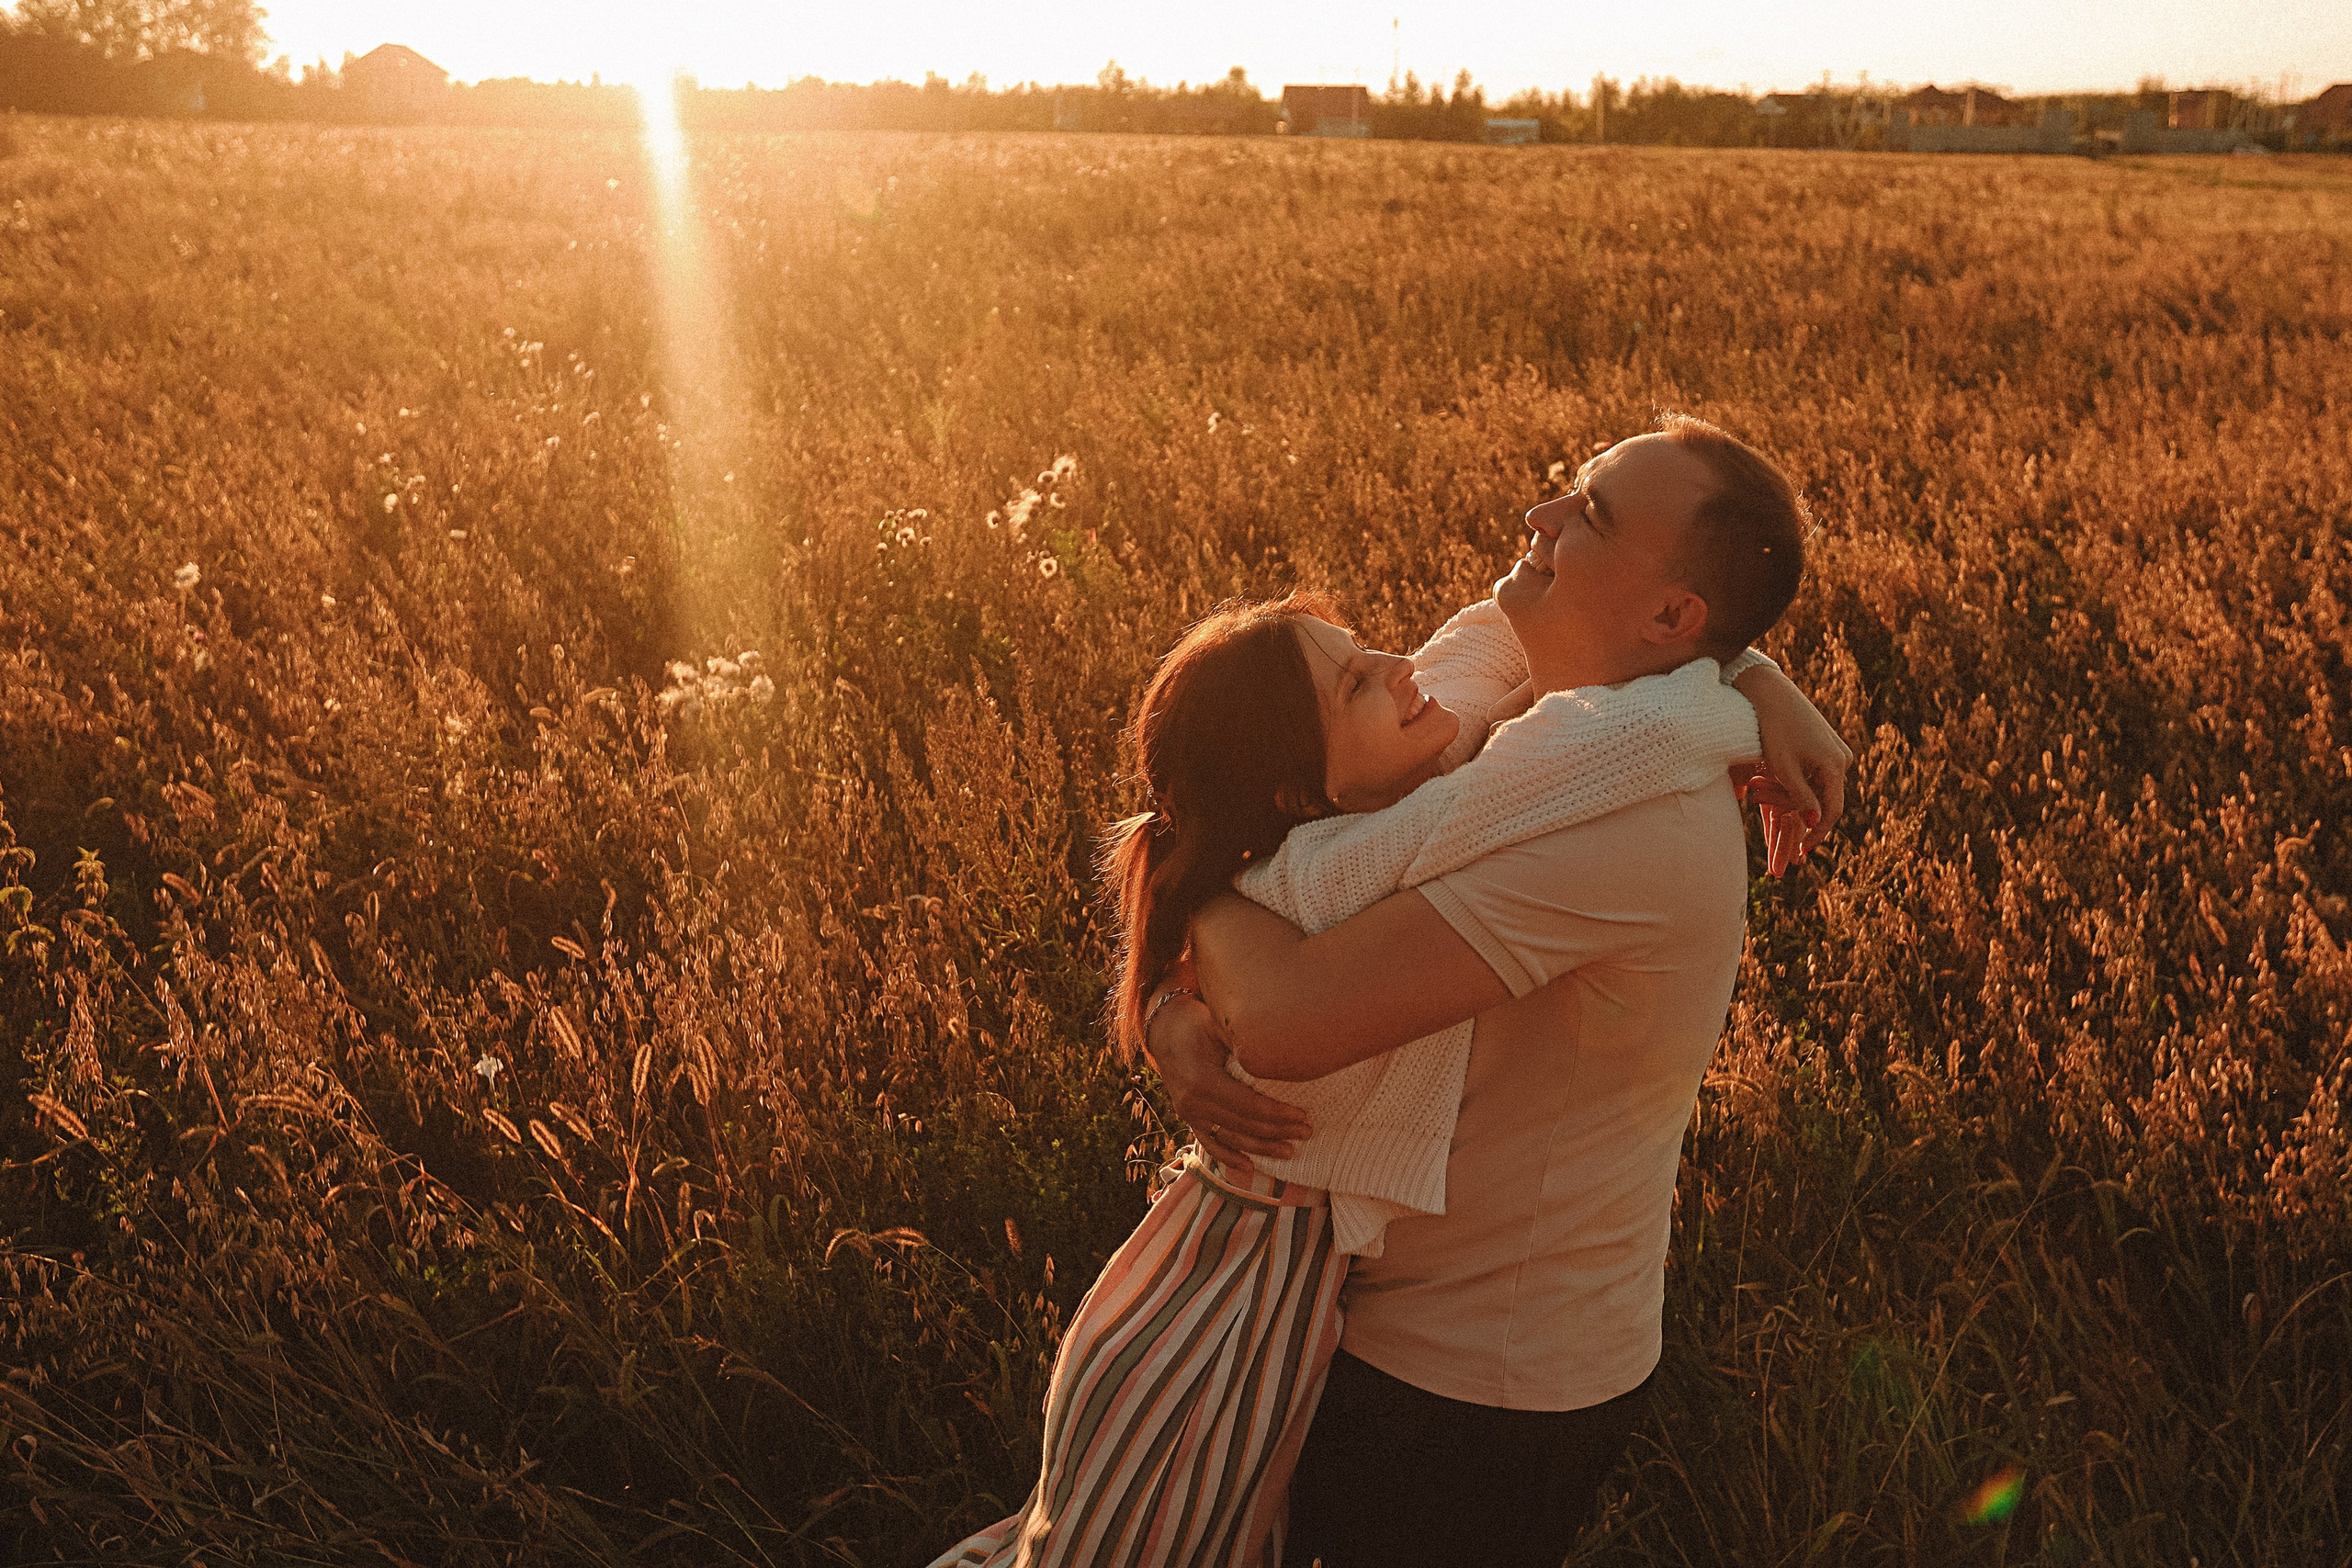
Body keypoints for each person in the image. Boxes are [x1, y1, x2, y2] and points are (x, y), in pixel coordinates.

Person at [932, 414, 1846, 1568]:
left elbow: (1284, 1012)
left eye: (1591, 515)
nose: (1540, 517)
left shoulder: (1625, 815)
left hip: (1481, 1383)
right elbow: (1307, 800)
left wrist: (1187, 876)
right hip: (1374, 1319)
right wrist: (1750, 671)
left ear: (1670, 617)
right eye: (1567, 489)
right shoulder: (1529, 727)